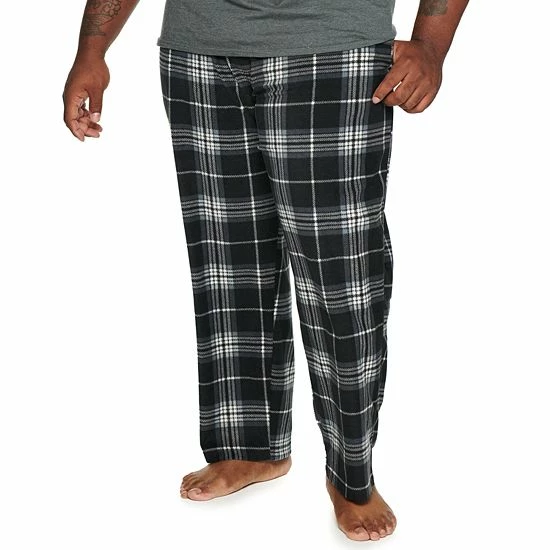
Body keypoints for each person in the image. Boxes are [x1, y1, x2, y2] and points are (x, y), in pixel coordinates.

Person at [63, 0, 469, 542]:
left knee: (342, 281)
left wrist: (431, 47)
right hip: (199, 53)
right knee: (228, 266)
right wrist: (92, 49)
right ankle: (250, 448)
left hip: (332, 49)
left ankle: (352, 476)